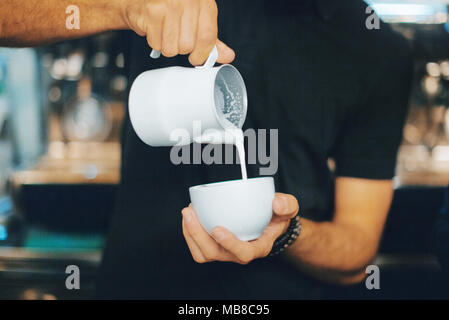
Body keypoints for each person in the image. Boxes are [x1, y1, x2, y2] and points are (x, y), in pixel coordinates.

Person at [0, 0, 412, 299]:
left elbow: (358, 249)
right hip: (139, 285)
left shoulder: (377, 48)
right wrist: (123, 7)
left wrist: (286, 234)